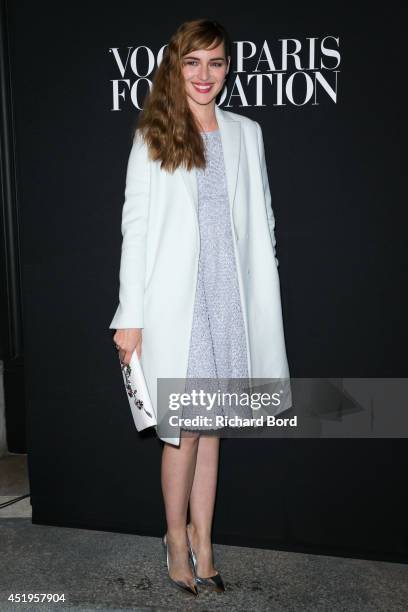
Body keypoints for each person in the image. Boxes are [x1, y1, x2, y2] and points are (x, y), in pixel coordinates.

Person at [109, 18, 292, 597]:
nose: (204, 75)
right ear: (175, 65)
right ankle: (174, 538)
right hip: (175, 304)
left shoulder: (246, 132)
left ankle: (205, 542)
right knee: (182, 433)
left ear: (227, 68)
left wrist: (267, 285)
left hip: (229, 301)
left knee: (211, 432)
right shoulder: (155, 133)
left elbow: (262, 217)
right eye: (193, 62)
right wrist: (129, 314)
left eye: (215, 62)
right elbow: (134, 230)